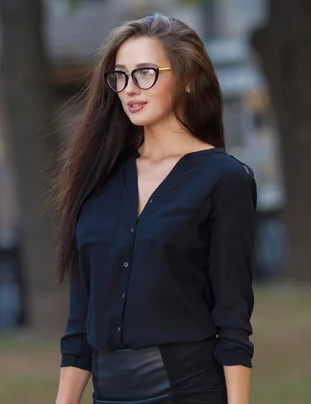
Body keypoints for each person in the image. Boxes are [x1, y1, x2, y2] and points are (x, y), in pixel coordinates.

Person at [53, 13, 257, 404]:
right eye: (121, 76)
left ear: (189, 79)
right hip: (108, 393)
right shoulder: (98, 180)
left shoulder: (225, 180)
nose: (130, 88)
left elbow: (233, 318)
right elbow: (80, 320)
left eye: (146, 72)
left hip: (188, 391)